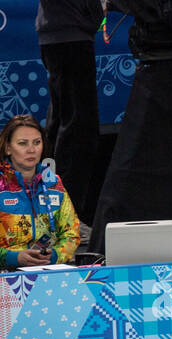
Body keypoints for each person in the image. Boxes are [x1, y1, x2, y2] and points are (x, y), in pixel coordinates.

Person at [36, 0, 103, 225]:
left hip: (67, 36)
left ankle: (56, 211)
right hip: (69, 38)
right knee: (78, 129)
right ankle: (66, 216)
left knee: (63, 124)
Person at [0, 115, 80, 269]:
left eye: (37, 142)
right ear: (8, 148)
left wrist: (54, 255)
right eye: (23, 143)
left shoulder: (53, 183)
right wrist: (13, 258)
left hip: (48, 272)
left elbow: (72, 234)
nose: (31, 150)